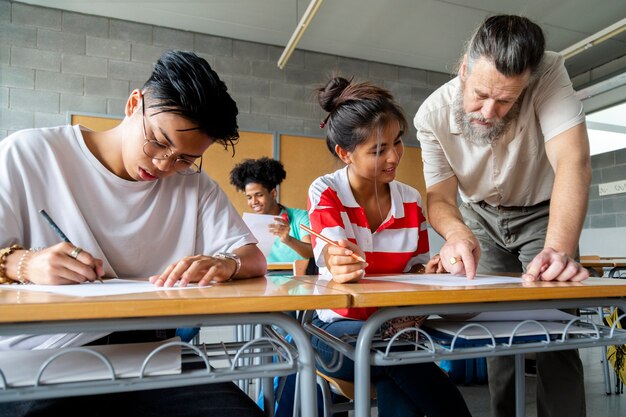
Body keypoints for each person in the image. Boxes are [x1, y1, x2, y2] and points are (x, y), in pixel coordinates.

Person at [0, 50, 266, 417]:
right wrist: (24, 263)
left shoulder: (194, 185)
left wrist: (226, 262)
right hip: (44, 358)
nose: (164, 165)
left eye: (185, 158)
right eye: (158, 141)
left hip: (155, 356)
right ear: (133, 104)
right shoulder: (30, 154)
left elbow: (253, 257)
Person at [414, 15, 591, 417]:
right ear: (464, 68)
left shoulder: (548, 73)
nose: (489, 111)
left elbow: (572, 161)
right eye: (480, 95)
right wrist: (457, 233)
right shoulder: (431, 116)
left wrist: (559, 250)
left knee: (558, 334)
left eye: (506, 100)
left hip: (545, 213)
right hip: (479, 219)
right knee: (493, 334)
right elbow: (440, 197)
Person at [307, 76, 472, 417]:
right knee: (398, 353)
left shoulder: (410, 199)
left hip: (395, 330)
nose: (394, 156)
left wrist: (429, 270)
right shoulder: (326, 191)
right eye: (379, 150)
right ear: (345, 153)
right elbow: (333, 256)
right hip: (335, 332)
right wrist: (338, 263)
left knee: (395, 366)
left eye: (397, 143)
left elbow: (417, 268)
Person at [230, 157, 313, 263]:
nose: (254, 201)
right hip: (263, 277)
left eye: (259, 195)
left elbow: (312, 252)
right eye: (249, 197)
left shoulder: (300, 216)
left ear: (273, 193)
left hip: (297, 277)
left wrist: (288, 240)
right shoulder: (246, 225)